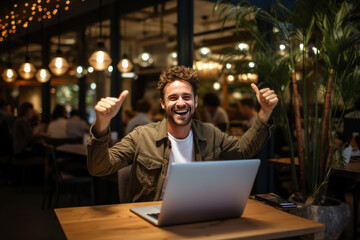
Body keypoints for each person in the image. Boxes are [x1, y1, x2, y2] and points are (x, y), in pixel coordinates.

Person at [87, 65, 278, 203]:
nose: (180, 103)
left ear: (195, 101)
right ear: (163, 104)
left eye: (186, 97)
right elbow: (99, 168)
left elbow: (243, 151)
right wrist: (102, 123)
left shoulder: (210, 133)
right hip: (150, 217)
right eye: (173, 98)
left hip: (200, 213)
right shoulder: (141, 136)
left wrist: (265, 112)